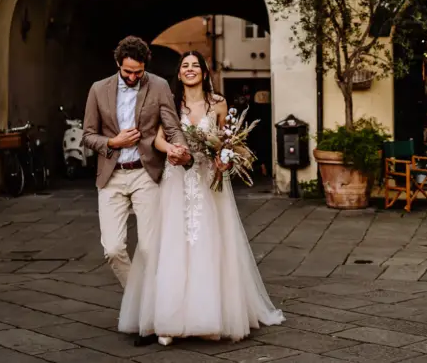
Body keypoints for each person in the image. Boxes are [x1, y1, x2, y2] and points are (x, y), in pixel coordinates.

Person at [118, 50, 284, 345]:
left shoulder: (218, 104)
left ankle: (208, 317)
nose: (190, 69)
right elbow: (157, 137)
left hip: (206, 182)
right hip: (175, 180)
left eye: (196, 65)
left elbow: (226, 140)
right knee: (170, 244)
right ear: (179, 74)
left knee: (207, 243)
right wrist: (170, 150)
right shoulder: (168, 101)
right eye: (185, 66)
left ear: (205, 73)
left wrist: (224, 159)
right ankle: (167, 321)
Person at [82, 36, 193, 346]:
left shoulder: (157, 86)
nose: (133, 77)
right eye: (128, 72)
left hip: (146, 174)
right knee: (113, 248)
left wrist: (181, 150)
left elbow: (172, 126)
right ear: (118, 64)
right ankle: (143, 303)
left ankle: (152, 315)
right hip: (112, 176)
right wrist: (112, 143)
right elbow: (88, 135)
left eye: (138, 72)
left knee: (149, 249)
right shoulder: (98, 90)